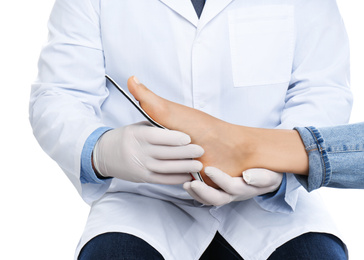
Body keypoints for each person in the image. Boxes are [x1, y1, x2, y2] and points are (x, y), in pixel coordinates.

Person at [29, 0, 351, 259]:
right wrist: (102, 149)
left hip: (271, 206)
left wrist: (282, 167)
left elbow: (322, 89)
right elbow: (59, 95)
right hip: (143, 202)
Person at [126, 76, 364, 205]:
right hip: (139, 198)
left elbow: (323, 88)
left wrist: (280, 172)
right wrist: (97, 150)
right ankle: (250, 148)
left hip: (274, 217)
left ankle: (247, 148)